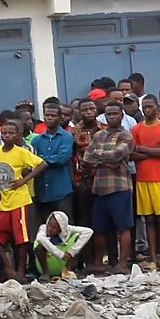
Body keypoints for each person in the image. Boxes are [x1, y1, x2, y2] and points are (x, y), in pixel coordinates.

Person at [0, 120, 48, 282]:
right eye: (4, 133)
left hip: (20, 201)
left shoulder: (21, 152)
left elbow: (42, 164)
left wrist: (24, 180)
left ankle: (21, 271)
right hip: (4, 201)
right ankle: (8, 268)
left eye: (11, 133)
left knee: (21, 238)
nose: (7, 136)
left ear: (17, 135)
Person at [84, 102, 134, 274]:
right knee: (99, 228)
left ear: (121, 115)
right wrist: (108, 160)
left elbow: (117, 155)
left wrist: (101, 157)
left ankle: (122, 264)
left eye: (115, 114)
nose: (111, 117)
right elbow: (86, 158)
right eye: (108, 114)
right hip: (99, 188)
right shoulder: (98, 135)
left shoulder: (126, 136)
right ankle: (98, 262)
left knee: (123, 226)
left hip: (120, 187)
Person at [130, 95, 160, 272]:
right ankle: (153, 259)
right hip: (142, 179)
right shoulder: (136, 128)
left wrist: (142, 149)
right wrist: (155, 151)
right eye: (145, 107)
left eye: (150, 106)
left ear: (157, 107)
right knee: (148, 220)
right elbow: (131, 154)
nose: (147, 110)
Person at [69, 98, 104, 267]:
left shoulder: (104, 129)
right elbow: (71, 158)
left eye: (91, 109)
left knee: (101, 221)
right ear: (79, 112)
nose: (89, 112)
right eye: (85, 110)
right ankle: (86, 260)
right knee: (83, 221)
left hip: (102, 180)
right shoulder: (73, 132)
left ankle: (102, 260)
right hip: (81, 181)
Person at [31, 103, 74, 224]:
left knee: (66, 226)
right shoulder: (36, 140)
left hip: (61, 190)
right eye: (46, 115)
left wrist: (40, 159)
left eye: (53, 115)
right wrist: (42, 160)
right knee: (45, 227)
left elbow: (61, 159)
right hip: (42, 192)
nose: (49, 118)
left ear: (60, 118)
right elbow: (32, 161)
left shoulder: (66, 137)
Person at [34, 211, 93, 281]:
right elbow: (40, 238)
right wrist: (60, 254)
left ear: (61, 229)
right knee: (40, 247)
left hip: (64, 261)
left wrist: (72, 251)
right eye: (49, 225)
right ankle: (45, 273)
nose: (49, 229)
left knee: (77, 238)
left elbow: (88, 231)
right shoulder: (43, 228)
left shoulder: (68, 229)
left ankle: (67, 271)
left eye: (54, 228)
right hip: (48, 263)